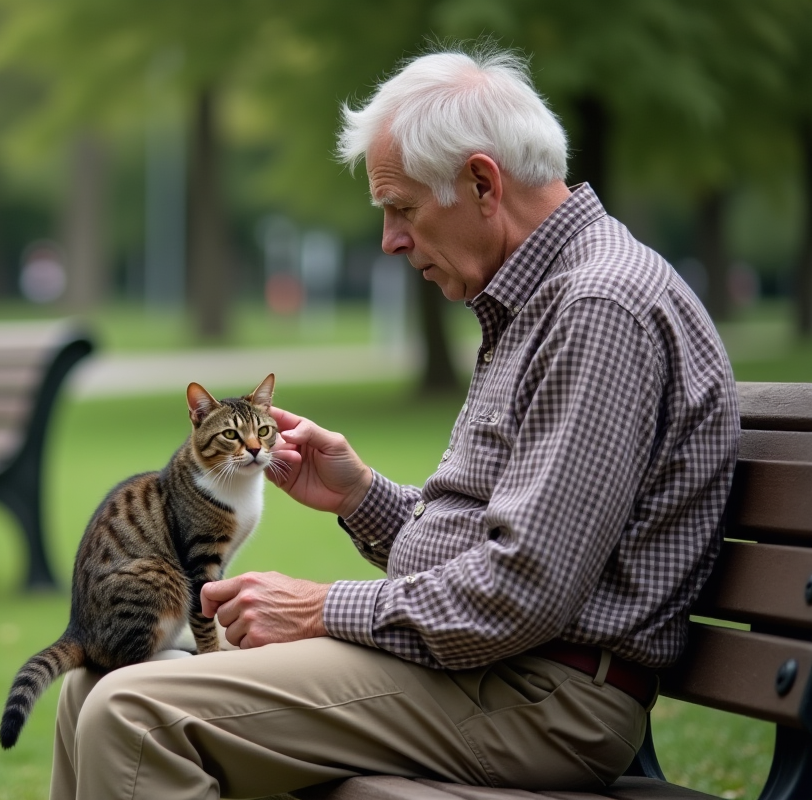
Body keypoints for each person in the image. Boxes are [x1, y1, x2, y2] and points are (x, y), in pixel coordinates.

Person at [47, 45, 739, 800]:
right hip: (484, 672)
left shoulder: (597, 309)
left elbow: (522, 590)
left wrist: (319, 608)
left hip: (541, 698)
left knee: (134, 714)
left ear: (482, 182)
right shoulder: (536, 301)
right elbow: (501, 540)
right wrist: (362, 498)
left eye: (401, 208)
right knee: (92, 688)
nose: (390, 240)